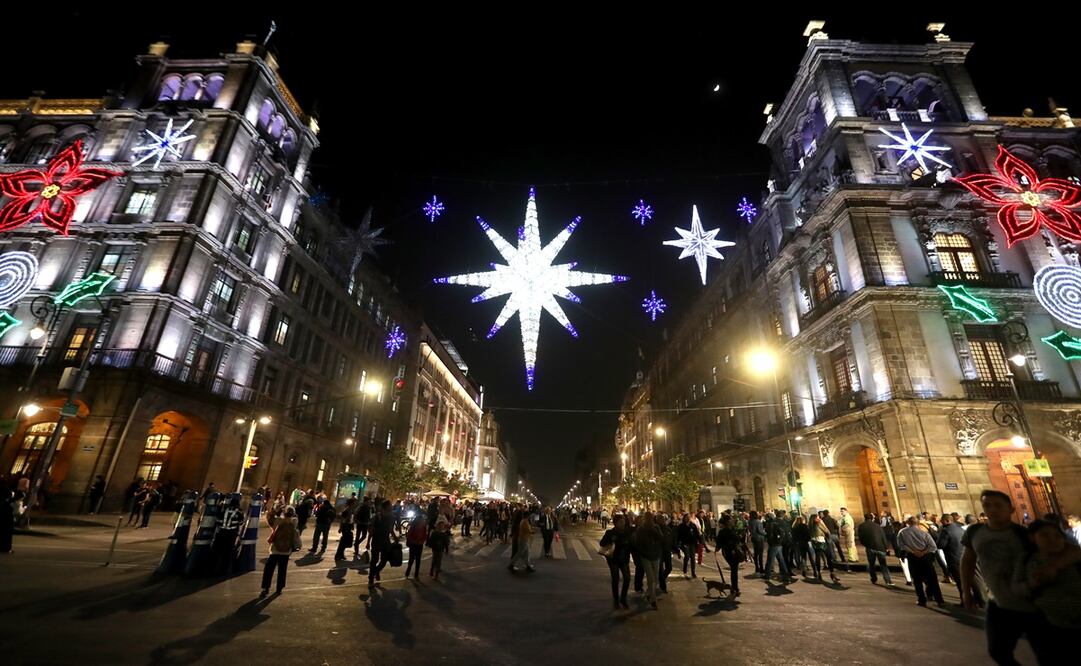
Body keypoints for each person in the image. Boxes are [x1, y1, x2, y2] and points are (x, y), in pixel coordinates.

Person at [962, 490, 1057, 665]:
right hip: (998, 604)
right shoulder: (974, 532)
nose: (992, 509)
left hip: (1032, 604)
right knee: (998, 651)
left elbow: (1060, 553)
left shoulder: (1025, 534)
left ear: (1011, 509)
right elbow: (967, 562)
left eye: (998, 505)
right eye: (987, 505)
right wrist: (966, 592)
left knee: (1046, 655)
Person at [1013, 519, 1081, 637]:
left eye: (1057, 535)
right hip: (1050, 624)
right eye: (1044, 535)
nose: (1052, 540)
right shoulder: (1026, 560)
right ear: (1032, 537)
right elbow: (1016, 587)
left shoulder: (1075, 557)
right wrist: (1032, 584)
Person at [896, 515, 944, 607]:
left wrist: (914, 551)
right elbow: (933, 546)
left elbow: (901, 545)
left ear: (907, 523)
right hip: (926, 557)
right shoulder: (924, 533)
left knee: (917, 580)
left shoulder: (902, 532)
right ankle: (939, 599)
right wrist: (923, 552)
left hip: (912, 557)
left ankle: (921, 599)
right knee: (932, 579)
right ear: (917, 523)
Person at [261, 505, 300, 597]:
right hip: (286, 550)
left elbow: (269, 519)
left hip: (275, 549)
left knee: (269, 569)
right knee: (282, 569)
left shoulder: (278, 521)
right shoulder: (294, 522)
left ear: (284, 512)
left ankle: (266, 588)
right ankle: (279, 588)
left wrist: (275, 509)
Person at [601, 514, 632, 609]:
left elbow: (631, 544)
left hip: (624, 559)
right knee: (615, 578)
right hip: (613, 559)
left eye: (623, 521)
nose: (623, 523)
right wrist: (611, 540)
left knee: (627, 578)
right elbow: (602, 543)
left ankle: (623, 597)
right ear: (616, 523)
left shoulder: (627, 532)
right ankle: (616, 598)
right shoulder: (610, 533)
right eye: (621, 522)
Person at [632, 512, 663, 609]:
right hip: (646, 556)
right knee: (651, 578)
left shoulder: (656, 527)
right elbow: (638, 543)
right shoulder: (641, 529)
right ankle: (653, 599)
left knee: (656, 577)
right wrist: (643, 553)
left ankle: (649, 593)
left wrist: (654, 531)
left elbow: (661, 539)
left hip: (655, 555)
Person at [857, 512, 893, 586]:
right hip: (880, 547)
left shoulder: (861, 526)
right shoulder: (877, 526)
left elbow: (861, 538)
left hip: (870, 547)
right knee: (883, 565)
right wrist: (886, 547)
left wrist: (866, 545)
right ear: (872, 518)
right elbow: (883, 536)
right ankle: (888, 580)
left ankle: (873, 578)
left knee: (871, 564)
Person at [716, 513, 747, 599]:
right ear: (728, 522)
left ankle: (734, 588)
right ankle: (734, 588)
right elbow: (736, 540)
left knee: (734, 570)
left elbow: (719, 543)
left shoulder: (729, 530)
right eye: (731, 520)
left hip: (730, 552)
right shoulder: (727, 531)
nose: (733, 521)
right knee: (734, 570)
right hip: (730, 552)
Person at [368, 500, 395, 585]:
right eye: (390, 506)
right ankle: (371, 579)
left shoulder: (391, 517)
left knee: (384, 560)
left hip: (385, 541)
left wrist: (395, 537)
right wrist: (368, 542)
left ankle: (375, 572)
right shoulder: (377, 517)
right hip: (376, 541)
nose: (391, 507)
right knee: (374, 560)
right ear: (385, 507)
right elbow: (371, 530)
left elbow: (391, 529)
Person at [810, 514, 840, 584]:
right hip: (822, 542)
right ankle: (832, 574)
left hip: (815, 542)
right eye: (818, 517)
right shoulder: (819, 523)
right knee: (829, 557)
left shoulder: (810, 525)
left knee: (818, 557)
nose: (819, 518)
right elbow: (827, 531)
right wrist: (822, 522)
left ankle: (819, 573)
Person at [763, 512, 792, 582]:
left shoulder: (770, 524)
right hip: (779, 544)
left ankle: (767, 575)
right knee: (781, 560)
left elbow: (770, 535)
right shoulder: (777, 523)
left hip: (773, 545)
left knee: (770, 560)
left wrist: (767, 537)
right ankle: (786, 575)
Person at [509, 508, 534, 573]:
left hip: (523, 539)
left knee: (527, 553)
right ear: (527, 516)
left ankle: (528, 566)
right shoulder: (525, 521)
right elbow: (528, 530)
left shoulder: (523, 521)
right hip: (523, 539)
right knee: (519, 553)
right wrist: (532, 531)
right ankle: (511, 565)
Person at [404, 512, 428, 579]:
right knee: (411, 559)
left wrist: (421, 541)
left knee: (418, 559)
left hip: (419, 545)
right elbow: (409, 535)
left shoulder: (423, 527)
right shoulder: (413, 526)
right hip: (413, 544)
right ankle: (408, 571)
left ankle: (416, 574)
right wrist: (415, 541)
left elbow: (425, 535)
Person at [677, 513, 700, 578]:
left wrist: (699, 540)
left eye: (689, 517)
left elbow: (697, 534)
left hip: (692, 543)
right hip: (685, 543)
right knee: (687, 556)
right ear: (684, 518)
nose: (688, 518)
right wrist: (679, 543)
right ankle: (685, 569)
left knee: (693, 558)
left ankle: (693, 572)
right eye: (686, 517)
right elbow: (679, 535)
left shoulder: (693, 525)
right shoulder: (681, 526)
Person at [657, 512, 675, 593]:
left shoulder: (667, 529)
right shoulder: (656, 529)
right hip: (659, 551)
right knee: (660, 569)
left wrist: (676, 549)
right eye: (660, 519)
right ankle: (663, 586)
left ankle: (661, 579)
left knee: (669, 568)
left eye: (663, 519)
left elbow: (671, 539)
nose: (662, 521)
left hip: (667, 550)